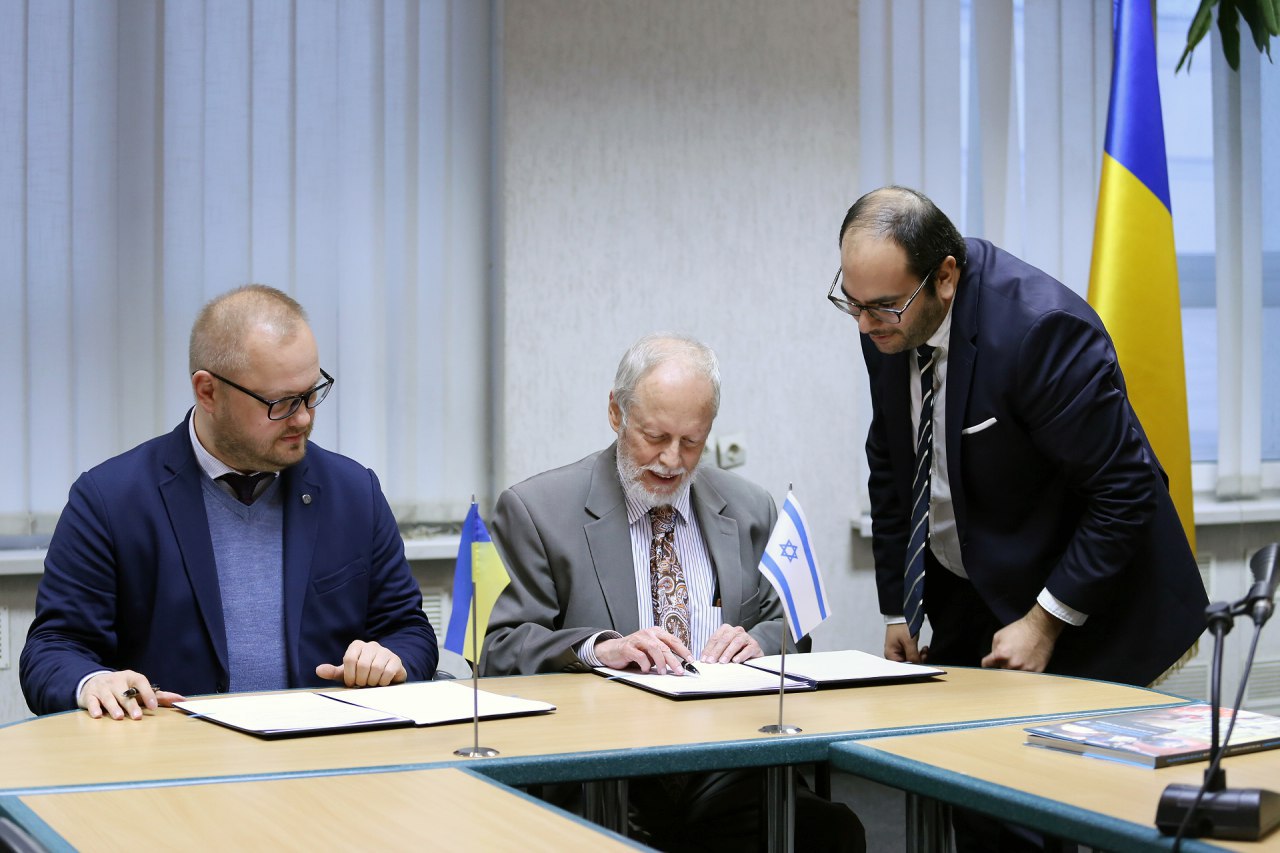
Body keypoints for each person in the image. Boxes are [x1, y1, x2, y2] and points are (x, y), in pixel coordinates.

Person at [833, 186, 1207, 849]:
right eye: (852, 303)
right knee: (973, 791)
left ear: (945, 277)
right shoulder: (888, 323)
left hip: (1083, 594)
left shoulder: (1039, 330)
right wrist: (899, 606)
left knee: (1048, 809)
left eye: (882, 306)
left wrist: (1044, 620)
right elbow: (892, 460)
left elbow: (1126, 490)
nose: (865, 325)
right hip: (976, 585)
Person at [481, 333, 863, 853]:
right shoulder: (537, 510)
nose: (671, 460)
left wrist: (760, 642)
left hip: (729, 762)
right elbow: (501, 649)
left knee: (831, 831)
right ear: (616, 413)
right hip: (605, 766)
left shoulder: (750, 508)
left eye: (691, 442)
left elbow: (789, 626)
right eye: (655, 436)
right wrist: (598, 649)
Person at [21, 285, 437, 719]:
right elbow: (53, 649)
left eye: (312, 393)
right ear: (208, 392)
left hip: (322, 745)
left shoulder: (353, 492)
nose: (303, 418)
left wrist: (391, 659)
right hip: (175, 751)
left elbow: (408, 630)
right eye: (281, 402)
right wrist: (93, 681)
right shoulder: (110, 499)